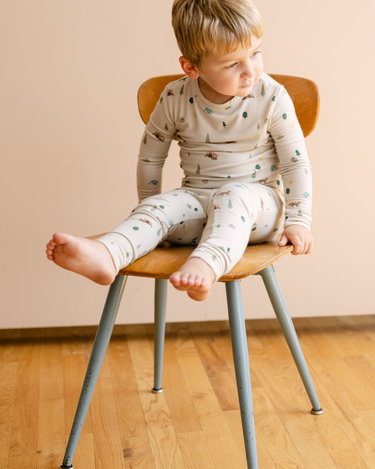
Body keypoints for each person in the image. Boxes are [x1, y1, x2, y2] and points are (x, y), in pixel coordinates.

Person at [46, 0, 314, 301]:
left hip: (257, 209)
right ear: (191, 67)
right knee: (159, 208)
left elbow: (295, 163)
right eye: (232, 64)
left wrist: (298, 221)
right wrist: (150, 212)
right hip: (196, 204)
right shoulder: (174, 97)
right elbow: (150, 157)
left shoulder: (272, 95)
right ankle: (109, 253)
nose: (250, 71)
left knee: (233, 195)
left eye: (255, 53)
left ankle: (207, 266)